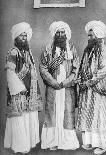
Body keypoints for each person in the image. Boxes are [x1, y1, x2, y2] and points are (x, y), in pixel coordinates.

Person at [39, 21, 80, 150]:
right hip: (53, 88)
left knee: (67, 113)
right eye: (58, 32)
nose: (61, 35)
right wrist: (54, 83)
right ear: (54, 34)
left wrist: (65, 83)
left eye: (63, 32)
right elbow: (43, 69)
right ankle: (52, 142)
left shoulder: (72, 49)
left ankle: (68, 142)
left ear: (66, 34)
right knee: (52, 114)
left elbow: (76, 69)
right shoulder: (48, 49)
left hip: (67, 88)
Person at [4, 22, 43, 153]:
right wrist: (20, 88)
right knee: (20, 118)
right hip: (19, 92)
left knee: (29, 116)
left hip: (30, 92)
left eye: (26, 36)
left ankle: (29, 143)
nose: (24, 38)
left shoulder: (28, 53)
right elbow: (10, 73)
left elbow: (33, 72)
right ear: (16, 38)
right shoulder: (13, 52)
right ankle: (20, 146)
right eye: (21, 36)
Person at [76, 20, 106, 154]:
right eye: (89, 35)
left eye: (91, 36)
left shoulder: (104, 51)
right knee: (87, 113)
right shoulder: (88, 50)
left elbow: (104, 71)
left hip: (98, 88)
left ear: (98, 36)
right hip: (87, 89)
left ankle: (102, 145)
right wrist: (80, 79)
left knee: (99, 115)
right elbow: (83, 67)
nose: (88, 38)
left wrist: (89, 82)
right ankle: (90, 141)